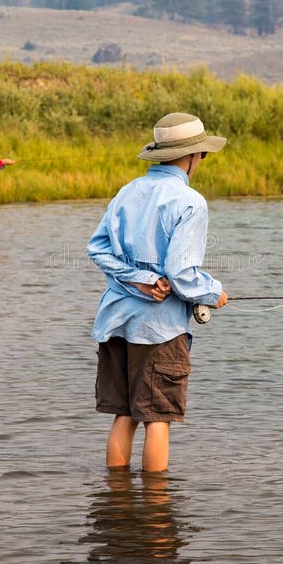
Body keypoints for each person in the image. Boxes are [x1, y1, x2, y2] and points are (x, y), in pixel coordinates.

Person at [87, 111, 229, 473]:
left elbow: (97, 248)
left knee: (124, 414)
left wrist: (136, 278)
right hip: (159, 328)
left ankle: (116, 502)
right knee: (157, 418)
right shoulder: (190, 201)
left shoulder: (128, 191)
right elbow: (181, 275)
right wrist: (214, 292)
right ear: (195, 156)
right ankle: (155, 515)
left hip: (116, 320)